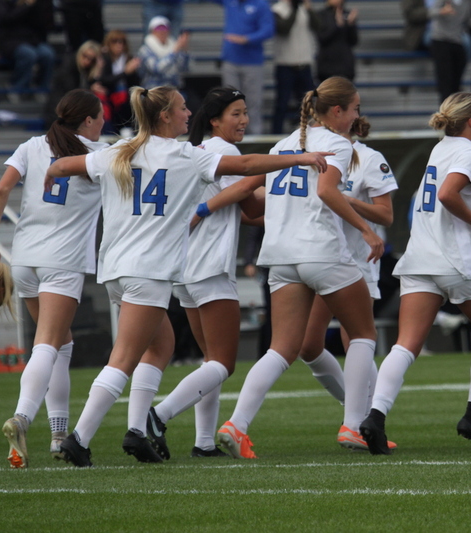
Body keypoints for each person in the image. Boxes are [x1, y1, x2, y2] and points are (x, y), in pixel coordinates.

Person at [45, 85, 332, 467]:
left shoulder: (117, 151)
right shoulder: (187, 156)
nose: (188, 114)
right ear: (164, 116)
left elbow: (66, 165)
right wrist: (301, 158)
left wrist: (51, 172)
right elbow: (246, 168)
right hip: (148, 272)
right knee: (123, 359)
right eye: (182, 108)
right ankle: (78, 439)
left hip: (116, 268)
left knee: (160, 346)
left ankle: (136, 431)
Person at [203, 76, 384, 459]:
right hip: (320, 250)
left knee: (280, 349)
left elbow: (254, 197)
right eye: (354, 109)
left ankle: (237, 424)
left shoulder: (283, 144)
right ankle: (353, 424)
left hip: (280, 255)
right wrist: (368, 231)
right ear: (336, 111)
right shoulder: (337, 143)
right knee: (364, 333)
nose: (356, 117)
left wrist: (206, 208)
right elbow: (326, 191)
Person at [359, 92, 471, 455]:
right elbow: (446, 195)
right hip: (457, 260)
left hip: (421, 257)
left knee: (405, 345)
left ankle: (374, 418)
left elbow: (447, 193)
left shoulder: (442, 147)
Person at [0, 89, 108, 469]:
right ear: (87, 120)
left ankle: (58, 433)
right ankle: (22, 417)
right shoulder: (98, 155)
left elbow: (2, 188)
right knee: (48, 344)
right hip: (62, 260)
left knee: (61, 343)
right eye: (101, 116)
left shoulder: (33, 145)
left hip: (25, 257)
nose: (104, 122)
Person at [145, 87, 261, 459]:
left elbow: (248, 210)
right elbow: (241, 191)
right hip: (209, 266)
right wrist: (275, 173)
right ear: (214, 121)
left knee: (211, 359)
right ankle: (157, 416)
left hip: (185, 267)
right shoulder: (224, 151)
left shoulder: (197, 151)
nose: (243, 120)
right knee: (223, 361)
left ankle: (204, 442)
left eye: (245, 113)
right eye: (235, 114)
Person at [294, 115, 398, 451]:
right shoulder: (314, 155)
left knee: (355, 337)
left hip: (356, 261)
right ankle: (357, 412)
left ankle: (365, 421)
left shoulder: (369, 158)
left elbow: (385, 215)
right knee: (308, 346)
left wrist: (344, 199)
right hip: (323, 257)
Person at [218, 0, 274, 135]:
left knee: (252, 103)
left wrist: (247, 39)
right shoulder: (230, 2)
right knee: (229, 102)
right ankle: (230, 136)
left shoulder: (260, 5)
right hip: (230, 60)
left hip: (252, 62)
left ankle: (254, 139)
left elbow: (268, 30)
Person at [271, 0, 319, 134]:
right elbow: (284, 29)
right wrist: (295, 8)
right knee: (282, 104)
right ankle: (276, 134)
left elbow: (318, 26)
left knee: (308, 104)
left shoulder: (305, 8)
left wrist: (309, 10)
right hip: (285, 64)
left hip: (304, 63)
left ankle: (309, 133)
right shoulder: (277, 9)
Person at [0, 0, 55, 101]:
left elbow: (44, 24)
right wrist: (25, 6)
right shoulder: (5, 2)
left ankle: (41, 87)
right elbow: (6, 18)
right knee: (28, 54)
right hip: (11, 40)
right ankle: (16, 87)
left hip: (32, 40)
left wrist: (36, 6)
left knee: (48, 54)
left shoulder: (35, 4)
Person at [43, 41, 104, 129]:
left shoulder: (85, 71)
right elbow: (72, 93)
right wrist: (90, 88)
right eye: (85, 56)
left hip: (70, 112)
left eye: (91, 59)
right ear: (80, 53)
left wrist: (97, 71)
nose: (87, 61)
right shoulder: (68, 66)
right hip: (59, 111)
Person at [98, 30, 141, 134]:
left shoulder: (128, 59)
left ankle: (127, 128)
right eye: (115, 41)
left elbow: (135, 83)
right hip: (110, 93)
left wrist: (132, 71)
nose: (119, 45)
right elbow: (105, 80)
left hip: (125, 96)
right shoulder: (105, 59)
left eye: (122, 42)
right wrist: (125, 72)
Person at [429, 0, 471, 103]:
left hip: (457, 39)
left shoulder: (468, 3)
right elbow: (431, 12)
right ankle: (445, 114)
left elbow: (469, 18)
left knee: (456, 82)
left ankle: (454, 111)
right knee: (445, 81)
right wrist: (441, 11)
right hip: (441, 39)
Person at [137, 16, 189, 89]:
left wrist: (184, 50)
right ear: (152, 31)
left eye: (165, 28)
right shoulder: (145, 50)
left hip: (174, 90)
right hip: (153, 91)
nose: (162, 31)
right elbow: (156, 69)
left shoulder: (173, 45)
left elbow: (184, 68)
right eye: (158, 28)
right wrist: (174, 52)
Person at [315, 0, 358, 82]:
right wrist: (337, 26)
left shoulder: (347, 14)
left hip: (345, 66)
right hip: (326, 66)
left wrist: (351, 25)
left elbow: (354, 41)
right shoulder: (321, 15)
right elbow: (322, 38)